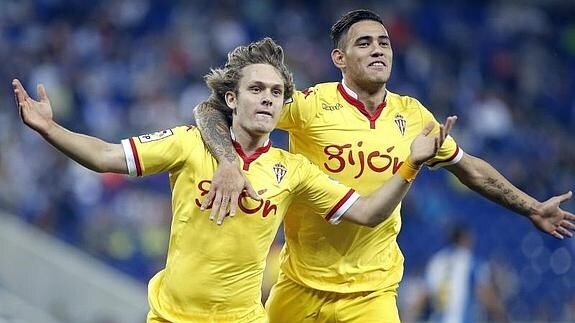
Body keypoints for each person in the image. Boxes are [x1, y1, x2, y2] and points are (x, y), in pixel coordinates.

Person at [14, 37, 455, 323]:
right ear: (232, 98)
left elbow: (367, 212)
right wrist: (51, 129)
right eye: (256, 89)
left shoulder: (293, 170)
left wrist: (409, 167)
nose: (267, 98)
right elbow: (108, 156)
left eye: (276, 93)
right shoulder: (189, 144)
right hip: (171, 316)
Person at [193, 9, 575, 323]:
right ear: (338, 59)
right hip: (300, 284)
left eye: (384, 42)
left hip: (371, 293)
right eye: (364, 43)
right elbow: (211, 108)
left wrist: (532, 207)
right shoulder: (310, 105)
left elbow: (469, 168)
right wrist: (228, 162)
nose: (378, 50)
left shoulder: (413, 115)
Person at [404, 225, 509, 323]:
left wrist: (406, 318)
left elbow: (422, 295)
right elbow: (485, 294)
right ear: (464, 238)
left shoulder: (437, 261)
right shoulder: (471, 261)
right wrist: (501, 316)